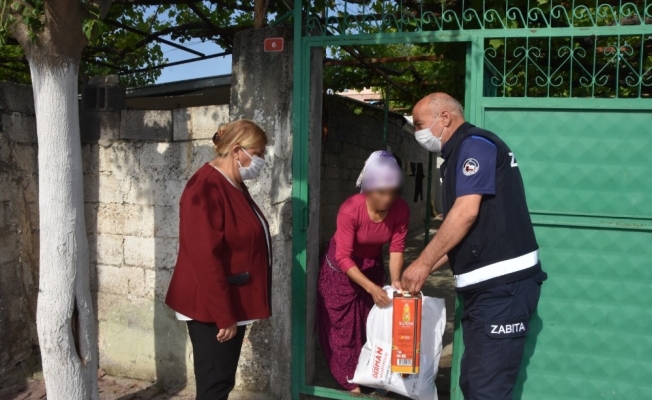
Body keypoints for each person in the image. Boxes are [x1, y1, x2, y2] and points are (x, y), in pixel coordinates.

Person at [402, 93, 547, 400]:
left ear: (444, 118)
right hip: (485, 292)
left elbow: (465, 214)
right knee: (473, 383)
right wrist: (420, 272)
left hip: (503, 291)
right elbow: (460, 232)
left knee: (486, 390)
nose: (417, 133)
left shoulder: (475, 145)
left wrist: (423, 263)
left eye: (419, 125)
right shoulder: (455, 156)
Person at [165, 119, 272, 400]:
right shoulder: (205, 187)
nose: (262, 159)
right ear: (237, 151)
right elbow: (204, 258)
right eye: (258, 153)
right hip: (211, 307)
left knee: (221, 382)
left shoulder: (232, 183)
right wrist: (224, 316)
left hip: (228, 300)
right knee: (214, 386)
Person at [317, 150, 409, 393]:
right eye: (381, 192)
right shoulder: (351, 209)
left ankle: (370, 373)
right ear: (368, 188)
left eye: (393, 192)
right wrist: (371, 288)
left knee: (370, 322)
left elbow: (396, 249)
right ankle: (351, 383)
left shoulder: (400, 210)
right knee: (344, 328)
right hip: (341, 270)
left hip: (371, 265)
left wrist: (396, 281)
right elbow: (343, 257)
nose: (388, 198)